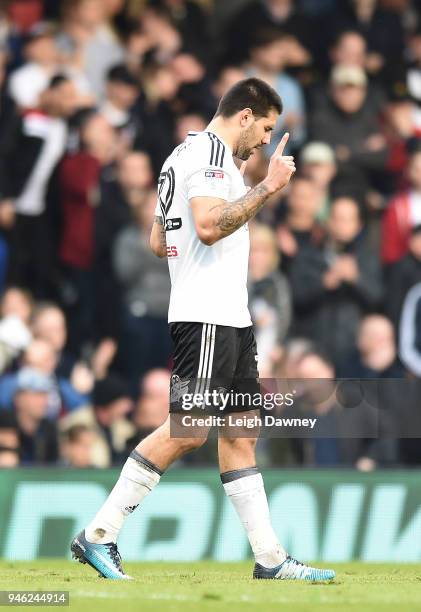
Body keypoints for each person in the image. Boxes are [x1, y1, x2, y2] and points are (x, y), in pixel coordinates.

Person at [70, 77, 335, 581]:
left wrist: (238, 188)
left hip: (231, 316)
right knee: (188, 431)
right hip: (206, 316)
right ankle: (99, 534)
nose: (265, 139)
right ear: (244, 115)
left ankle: (270, 559)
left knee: (240, 434)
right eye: (265, 127)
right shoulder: (210, 158)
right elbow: (211, 227)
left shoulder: (186, 156)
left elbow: (157, 239)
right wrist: (267, 186)